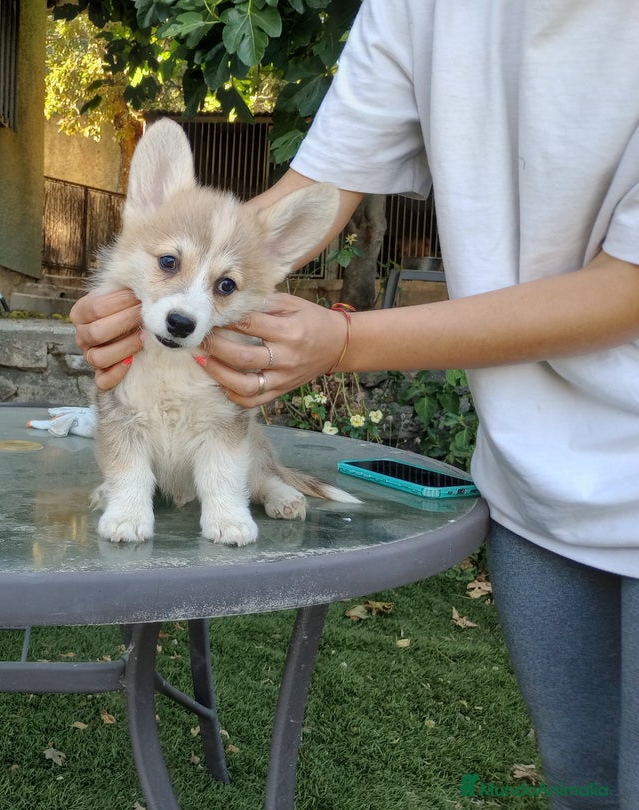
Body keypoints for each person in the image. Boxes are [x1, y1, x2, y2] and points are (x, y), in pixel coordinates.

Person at [70, 1, 639, 805]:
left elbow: (630, 287)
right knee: (583, 780)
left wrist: (343, 342)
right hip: (535, 488)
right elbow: (318, 186)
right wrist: (180, 268)